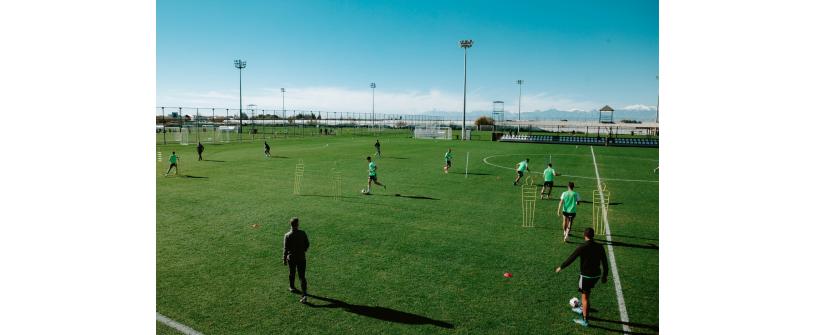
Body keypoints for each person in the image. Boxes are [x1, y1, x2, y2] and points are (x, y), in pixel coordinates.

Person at [555, 227, 609, 327]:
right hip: (596, 275)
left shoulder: (582, 247)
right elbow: (605, 262)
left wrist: (561, 267)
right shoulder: (600, 246)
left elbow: (571, 258)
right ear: (593, 235)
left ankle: (585, 320)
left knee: (585, 297)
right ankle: (583, 310)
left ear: (584, 235)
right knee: (587, 294)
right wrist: (605, 275)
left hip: (586, 276)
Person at [283, 217, 310, 303]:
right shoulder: (302, 233)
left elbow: (285, 249)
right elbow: (307, 244)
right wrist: (303, 250)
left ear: (291, 224)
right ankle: (304, 293)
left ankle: (292, 287)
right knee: (302, 276)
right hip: (301, 257)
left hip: (291, 258)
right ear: (297, 224)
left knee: (292, 273)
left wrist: (284, 259)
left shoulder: (287, 235)